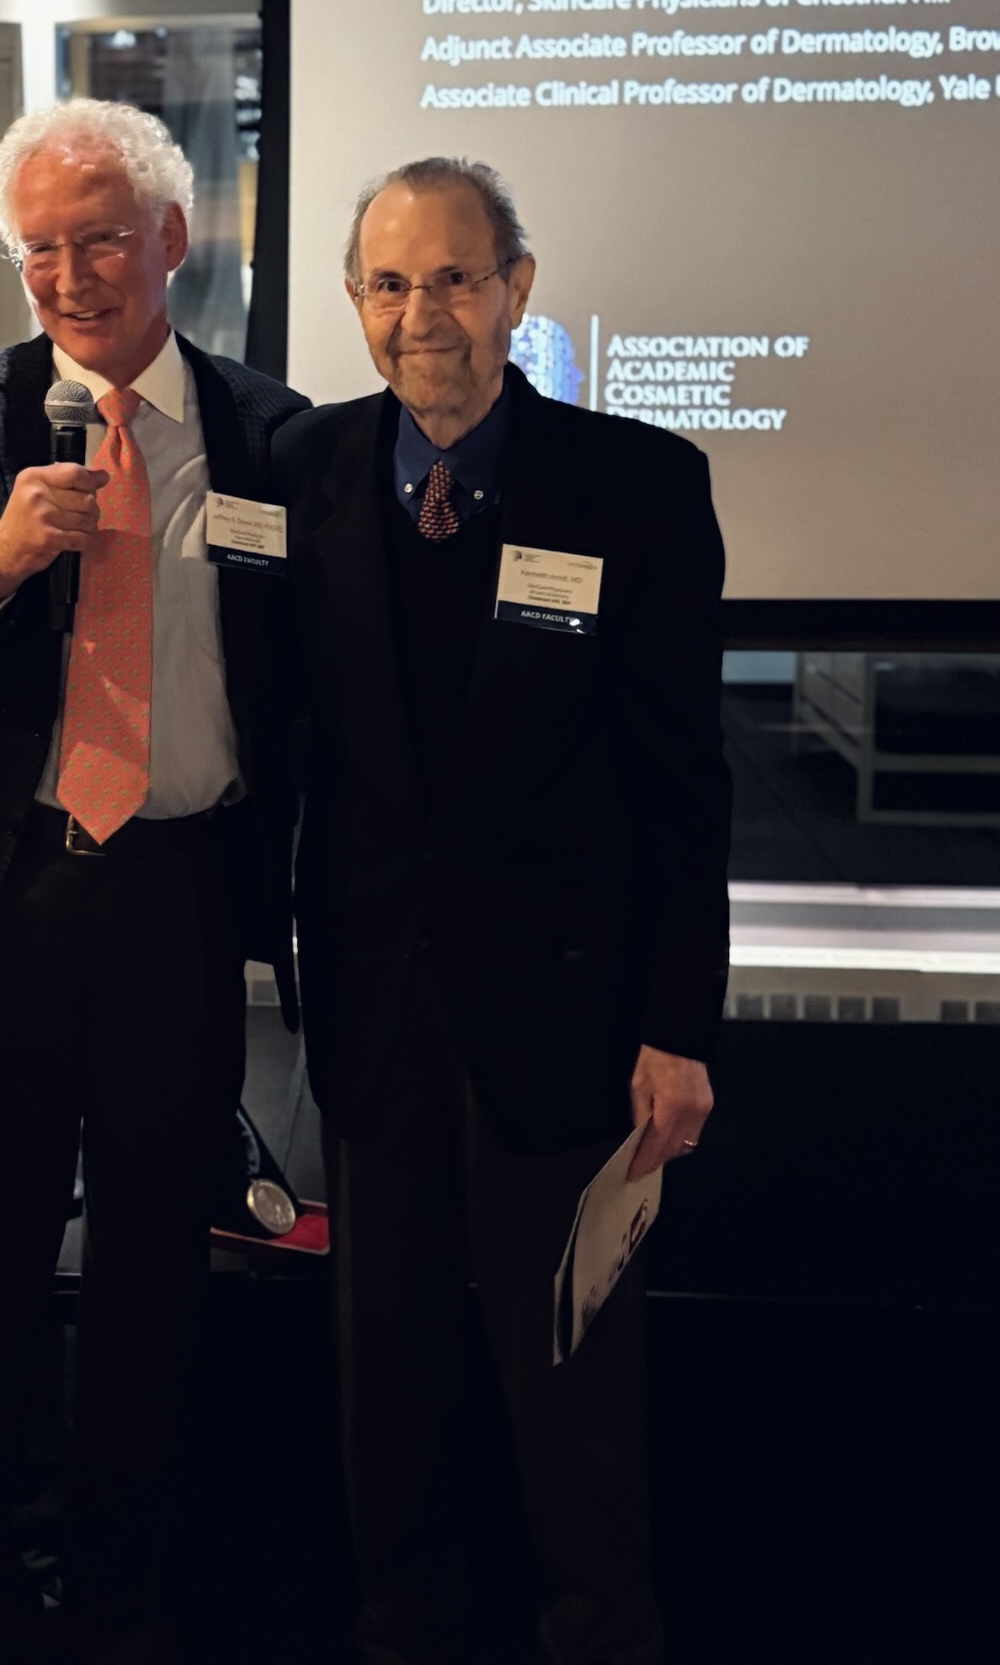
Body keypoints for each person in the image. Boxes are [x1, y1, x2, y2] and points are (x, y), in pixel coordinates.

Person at [0, 99, 308, 1665]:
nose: (71, 277)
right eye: (39, 249)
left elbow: (305, 683)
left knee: (158, 1271)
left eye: (100, 240)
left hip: (176, 899)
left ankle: (119, 1589)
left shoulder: (274, 433)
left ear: (173, 238)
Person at [272, 158, 732, 1665]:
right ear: (355, 302)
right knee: (384, 1383)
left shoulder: (637, 484)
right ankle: (403, 1632)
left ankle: (603, 1638)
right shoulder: (304, 472)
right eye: (390, 284)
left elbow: (685, 783)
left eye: (456, 279)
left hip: (570, 1019)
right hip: (373, 1013)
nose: (424, 315)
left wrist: (678, 1025)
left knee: (575, 1385)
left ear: (517, 288)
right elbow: (282, 739)